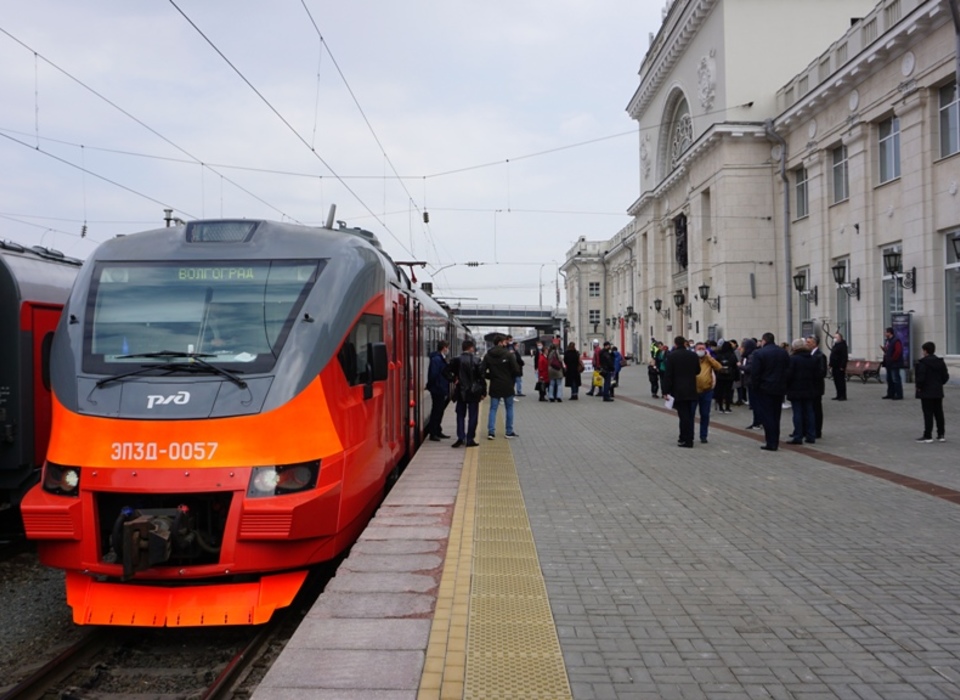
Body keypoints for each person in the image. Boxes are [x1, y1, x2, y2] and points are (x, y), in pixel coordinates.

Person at [751, 332, 790, 451]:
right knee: (776, 415)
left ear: (764, 341)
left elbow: (755, 373)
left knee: (767, 416)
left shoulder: (759, 353)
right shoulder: (783, 352)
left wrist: (755, 387)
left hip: (765, 388)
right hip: (779, 388)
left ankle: (770, 442)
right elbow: (788, 369)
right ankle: (775, 440)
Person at [446, 339, 486, 447]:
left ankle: (460, 437)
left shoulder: (456, 360)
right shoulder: (477, 360)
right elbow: (482, 378)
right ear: (471, 348)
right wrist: (484, 392)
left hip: (461, 392)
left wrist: (454, 379)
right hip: (474, 392)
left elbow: (445, 372)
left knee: (460, 415)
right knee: (473, 416)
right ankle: (470, 439)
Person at [662, 336, 699, 448]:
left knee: (683, 416)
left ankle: (686, 439)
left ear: (675, 344)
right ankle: (687, 437)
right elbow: (698, 370)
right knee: (688, 415)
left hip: (678, 390)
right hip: (691, 389)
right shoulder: (693, 355)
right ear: (685, 343)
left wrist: (665, 391)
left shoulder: (672, 356)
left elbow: (668, 375)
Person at [482, 334, 521, 439]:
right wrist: (508, 375)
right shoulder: (508, 354)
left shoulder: (488, 355)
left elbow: (481, 371)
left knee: (493, 408)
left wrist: (491, 376)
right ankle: (508, 432)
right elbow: (516, 370)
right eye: (505, 342)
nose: (506, 343)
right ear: (500, 343)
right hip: (507, 384)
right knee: (509, 408)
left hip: (495, 385)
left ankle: (491, 432)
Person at [785, 338, 820, 444]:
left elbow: (788, 375)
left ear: (795, 347)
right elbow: (817, 375)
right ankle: (811, 435)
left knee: (798, 413)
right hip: (809, 389)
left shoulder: (793, 359)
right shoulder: (812, 358)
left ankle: (798, 436)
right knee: (810, 412)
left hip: (796, 390)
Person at [914, 341, 949, 443]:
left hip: (926, 391)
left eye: (923, 350)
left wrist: (919, 386)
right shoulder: (940, 362)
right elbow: (945, 376)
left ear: (925, 351)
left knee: (928, 413)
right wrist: (939, 384)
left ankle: (928, 435)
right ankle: (941, 434)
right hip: (938, 391)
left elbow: (921, 378)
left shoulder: (923, 363)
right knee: (939, 413)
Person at [694, 341, 722, 443]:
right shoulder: (693, 359)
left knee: (705, 414)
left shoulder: (708, 360)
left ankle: (703, 435)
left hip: (707, 391)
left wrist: (709, 357)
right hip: (694, 390)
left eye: (703, 349)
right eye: (699, 349)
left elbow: (719, 367)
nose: (701, 351)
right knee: (691, 413)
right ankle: (690, 435)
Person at [425, 340, 451, 441]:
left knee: (440, 411)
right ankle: (433, 433)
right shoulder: (437, 359)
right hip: (437, 389)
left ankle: (438, 430)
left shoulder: (440, 358)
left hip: (441, 388)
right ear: (444, 348)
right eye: (447, 347)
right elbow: (433, 375)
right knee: (436, 411)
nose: (447, 350)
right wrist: (431, 386)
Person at [807, 335, 827, 439]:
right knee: (811, 409)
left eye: (809, 343)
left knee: (816, 409)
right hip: (810, 387)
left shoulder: (820, 355)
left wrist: (810, 373)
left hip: (816, 387)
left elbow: (822, 372)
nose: (807, 344)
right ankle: (811, 429)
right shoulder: (809, 354)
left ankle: (817, 430)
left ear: (815, 344)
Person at [740, 338, 761, 429]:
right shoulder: (748, 356)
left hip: (753, 383)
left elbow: (750, 368)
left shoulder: (752, 356)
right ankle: (757, 421)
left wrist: (740, 366)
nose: (741, 349)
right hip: (751, 382)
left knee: (755, 404)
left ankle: (757, 422)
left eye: (743, 347)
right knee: (754, 404)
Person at [714, 340, 739, 412]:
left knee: (720, 391)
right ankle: (727, 407)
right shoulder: (732, 355)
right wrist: (736, 377)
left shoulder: (719, 355)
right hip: (729, 376)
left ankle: (720, 407)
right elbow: (735, 366)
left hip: (720, 376)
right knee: (728, 392)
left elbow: (715, 366)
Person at [881, 327, 904, 400]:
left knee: (895, 379)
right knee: (889, 379)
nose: (885, 334)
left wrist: (892, 359)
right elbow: (889, 350)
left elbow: (898, 351)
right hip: (888, 363)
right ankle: (890, 393)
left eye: (886, 332)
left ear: (890, 333)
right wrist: (885, 350)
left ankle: (898, 394)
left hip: (894, 363)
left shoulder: (896, 340)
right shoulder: (888, 341)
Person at [829, 331, 849, 400]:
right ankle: (838, 394)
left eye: (836, 337)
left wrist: (842, 366)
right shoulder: (836, 345)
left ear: (840, 338)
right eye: (834, 337)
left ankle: (843, 396)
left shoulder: (843, 345)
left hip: (839, 366)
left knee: (841, 381)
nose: (834, 338)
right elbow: (833, 355)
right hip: (835, 366)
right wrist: (830, 364)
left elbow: (844, 357)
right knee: (836, 381)